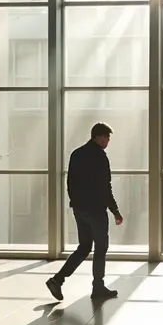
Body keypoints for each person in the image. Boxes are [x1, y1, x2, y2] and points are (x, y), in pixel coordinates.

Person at [45, 123, 123, 302]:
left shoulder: (77, 154)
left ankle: (58, 280)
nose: (107, 142)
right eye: (106, 138)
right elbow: (105, 187)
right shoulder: (100, 157)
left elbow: (70, 183)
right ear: (98, 137)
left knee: (84, 246)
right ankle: (98, 287)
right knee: (101, 247)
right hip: (96, 209)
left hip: (80, 210)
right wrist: (115, 210)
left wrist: (77, 204)